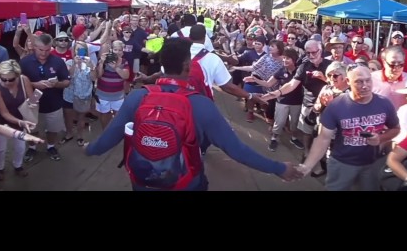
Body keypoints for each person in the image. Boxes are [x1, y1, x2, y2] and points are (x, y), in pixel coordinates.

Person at [84, 38, 302, 190]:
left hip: (142, 181)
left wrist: (90, 149)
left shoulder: (137, 97)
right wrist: (279, 168)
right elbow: (237, 151)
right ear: (188, 66)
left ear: (161, 65)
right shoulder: (200, 104)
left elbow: (109, 138)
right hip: (186, 182)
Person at [296, 64, 400, 191]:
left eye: (368, 80)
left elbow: (395, 129)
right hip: (341, 164)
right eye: (359, 82)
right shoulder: (336, 105)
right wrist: (307, 166)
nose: (365, 85)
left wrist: (381, 138)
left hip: (371, 164)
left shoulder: (384, 103)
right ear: (348, 82)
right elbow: (323, 138)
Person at [20, 33, 70, 162]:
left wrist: (56, 84)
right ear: (34, 47)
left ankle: (51, 146)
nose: (43, 53)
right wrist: (33, 84)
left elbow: (67, 82)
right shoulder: (24, 62)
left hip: (54, 103)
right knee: (32, 129)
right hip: (32, 104)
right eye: (41, 50)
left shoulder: (58, 62)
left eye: (47, 50)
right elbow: (17, 83)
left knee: (53, 129)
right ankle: (32, 147)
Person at [0, 60, 36, 180]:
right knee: (0, 149)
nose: (7, 82)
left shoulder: (24, 80)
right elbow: (4, 113)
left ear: (17, 76)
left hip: (20, 118)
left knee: (20, 147)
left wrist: (32, 104)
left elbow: (31, 99)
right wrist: (21, 122)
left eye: (11, 79)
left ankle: (18, 165)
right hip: (2, 121)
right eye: (3, 79)